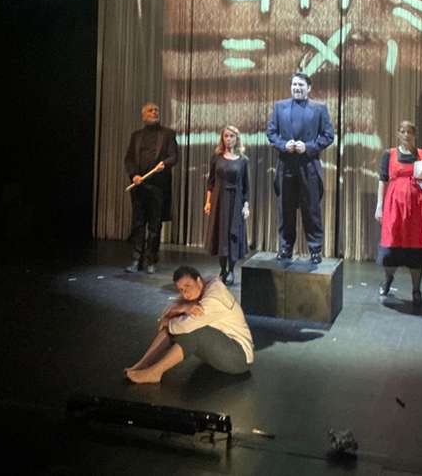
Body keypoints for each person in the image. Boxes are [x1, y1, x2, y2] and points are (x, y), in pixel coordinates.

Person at [124, 265, 254, 384]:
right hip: (222, 348)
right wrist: (181, 308)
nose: (185, 293)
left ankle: (155, 373)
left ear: (198, 281)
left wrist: (170, 319)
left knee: (192, 331)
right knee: (177, 322)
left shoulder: (213, 299)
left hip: (239, 358)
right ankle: (143, 363)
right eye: (181, 289)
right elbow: (169, 313)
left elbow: (182, 326)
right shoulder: (203, 285)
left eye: (188, 286)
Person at [375, 120, 422, 307]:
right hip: (395, 208)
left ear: (414, 134)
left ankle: (416, 290)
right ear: (398, 134)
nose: (406, 135)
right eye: (402, 131)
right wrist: (379, 206)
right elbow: (383, 181)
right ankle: (388, 280)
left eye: (409, 132)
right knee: (391, 249)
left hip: (418, 210)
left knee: (416, 252)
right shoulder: (389, 155)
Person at [266, 72, 335, 263]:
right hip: (286, 165)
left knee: (311, 210)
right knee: (285, 209)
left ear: (309, 88)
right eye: (294, 85)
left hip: (308, 165)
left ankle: (315, 250)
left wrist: (309, 147)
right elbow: (271, 132)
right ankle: (285, 248)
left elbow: (328, 135)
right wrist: (283, 145)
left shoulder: (319, 108)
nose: (297, 88)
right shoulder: (280, 107)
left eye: (301, 85)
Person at [123, 102, 178, 274]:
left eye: (156, 110)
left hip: (158, 187)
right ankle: (136, 260)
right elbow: (129, 159)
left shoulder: (168, 134)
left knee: (155, 226)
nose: (154, 112)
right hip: (139, 186)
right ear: (143, 115)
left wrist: (164, 164)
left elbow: (174, 156)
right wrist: (134, 175)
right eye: (150, 110)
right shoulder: (136, 136)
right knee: (138, 224)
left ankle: (151, 260)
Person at [203, 125, 250, 285]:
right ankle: (223, 269)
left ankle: (231, 270)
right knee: (221, 234)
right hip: (219, 201)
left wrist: (246, 206)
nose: (228, 139)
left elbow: (246, 187)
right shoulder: (216, 158)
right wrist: (208, 202)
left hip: (236, 201)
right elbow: (211, 183)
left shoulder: (243, 160)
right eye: (226, 136)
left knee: (233, 234)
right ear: (222, 138)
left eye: (231, 136)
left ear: (237, 139)